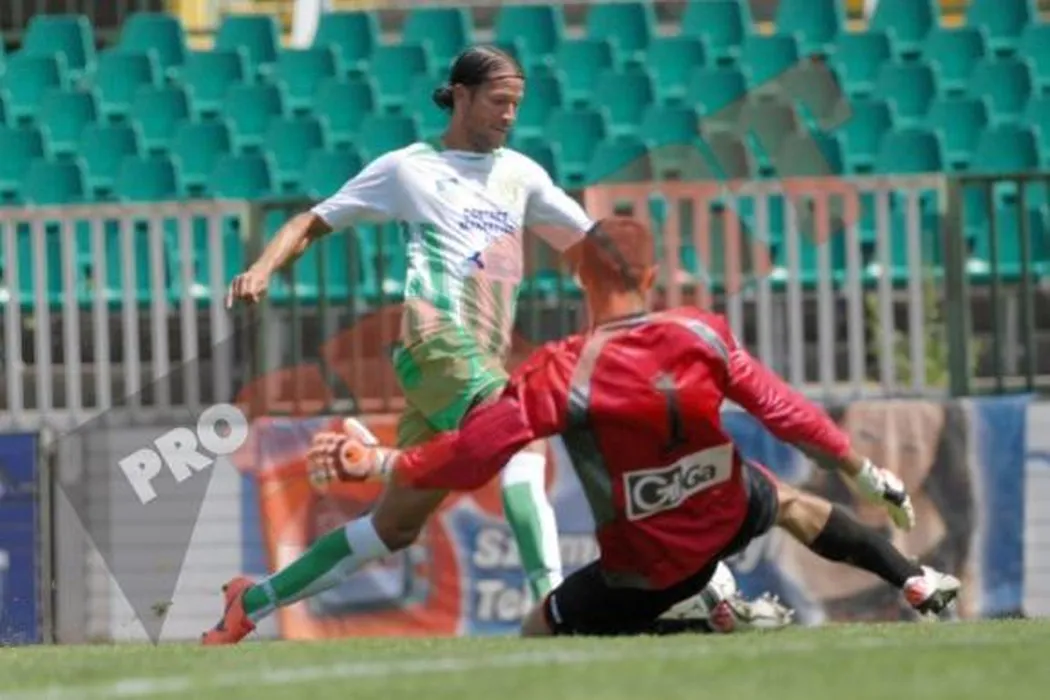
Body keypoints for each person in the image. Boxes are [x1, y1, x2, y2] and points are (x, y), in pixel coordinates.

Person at [302, 216, 961, 637]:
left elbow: (474, 453)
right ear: (650, 277)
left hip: (644, 565)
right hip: (726, 510)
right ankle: (912, 577)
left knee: (537, 630)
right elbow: (785, 411)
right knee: (787, 501)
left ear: (579, 276)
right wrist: (861, 471)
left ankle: (697, 620)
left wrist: (384, 463)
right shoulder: (702, 331)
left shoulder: (565, 368)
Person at [207, 44, 592, 644]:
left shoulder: (521, 175)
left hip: (471, 368)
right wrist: (262, 268)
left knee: (392, 529)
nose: (510, 115)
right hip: (435, 340)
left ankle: (250, 602)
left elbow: (591, 246)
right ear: (460, 96)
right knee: (522, 432)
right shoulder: (409, 169)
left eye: (516, 104)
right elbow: (312, 221)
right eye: (498, 102)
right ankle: (553, 604)